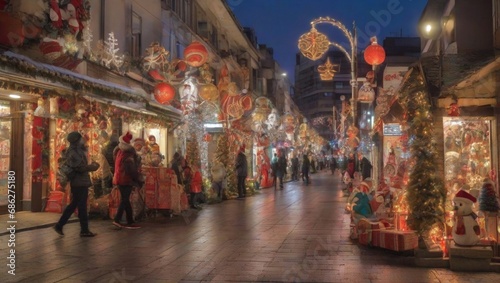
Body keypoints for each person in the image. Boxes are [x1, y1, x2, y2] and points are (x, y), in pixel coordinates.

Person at [54, 131, 100, 237]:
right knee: (81, 206)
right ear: (76, 140)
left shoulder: (77, 150)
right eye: (80, 139)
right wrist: (92, 167)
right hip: (79, 182)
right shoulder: (73, 152)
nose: (82, 140)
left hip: (80, 181)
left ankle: (60, 225)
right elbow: (79, 168)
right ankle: (84, 230)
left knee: (74, 204)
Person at [112, 131, 143, 229]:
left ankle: (127, 221)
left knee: (125, 200)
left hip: (119, 178)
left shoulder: (119, 152)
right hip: (126, 179)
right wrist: (138, 179)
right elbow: (131, 169)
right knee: (125, 200)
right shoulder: (128, 154)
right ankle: (120, 220)